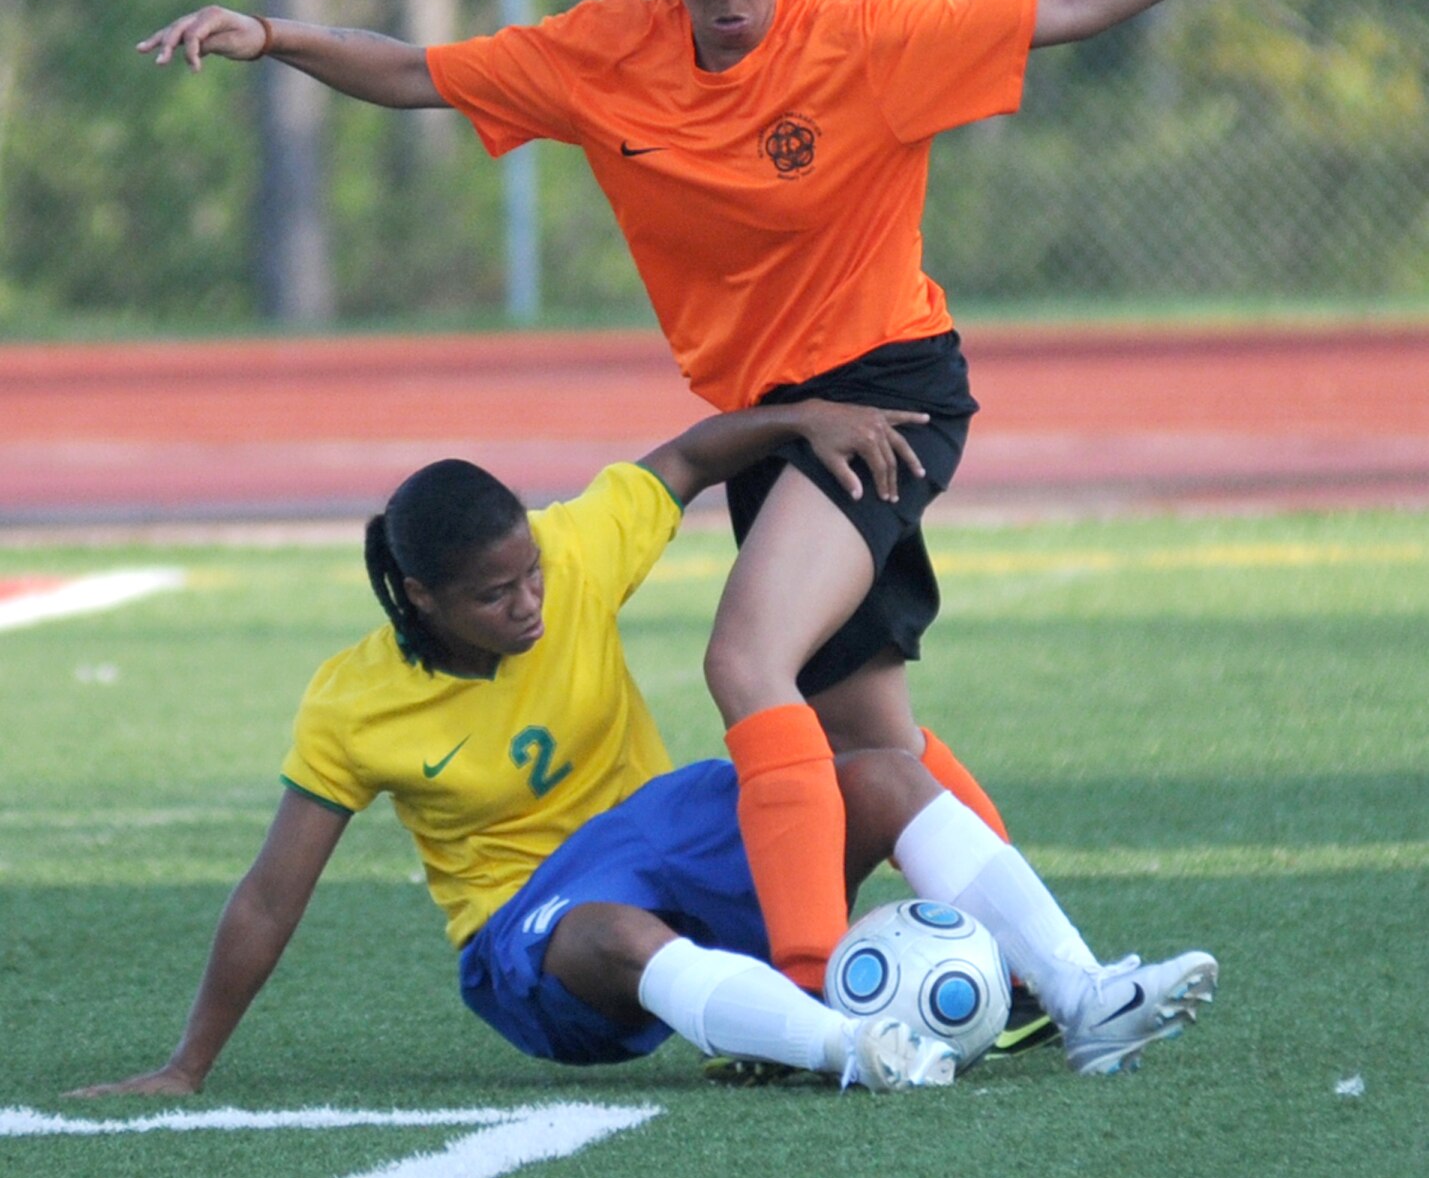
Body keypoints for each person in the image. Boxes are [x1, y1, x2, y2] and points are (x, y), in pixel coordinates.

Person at [138, 0, 1363, 994]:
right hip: (770, 424)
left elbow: (1066, 2)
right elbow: (415, 71)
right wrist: (269, 31)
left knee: (744, 659)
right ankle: (1063, 983)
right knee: (867, 736)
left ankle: (811, 987)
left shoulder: (864, 39)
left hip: (885, 390)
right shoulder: (603, 56)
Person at [67, 405, 1216, 1100]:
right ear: (420, 596)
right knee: (618, 930)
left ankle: (1083, 992)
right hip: (535, 932)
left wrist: (799, 421)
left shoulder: (570, 551)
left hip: (669, 835)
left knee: (868, 767)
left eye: (530, 575)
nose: (529, 601)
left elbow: (685, 455)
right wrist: (186, 1062)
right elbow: (272, 894)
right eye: (492, 593)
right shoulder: (351, 703)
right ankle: (850, 1047)